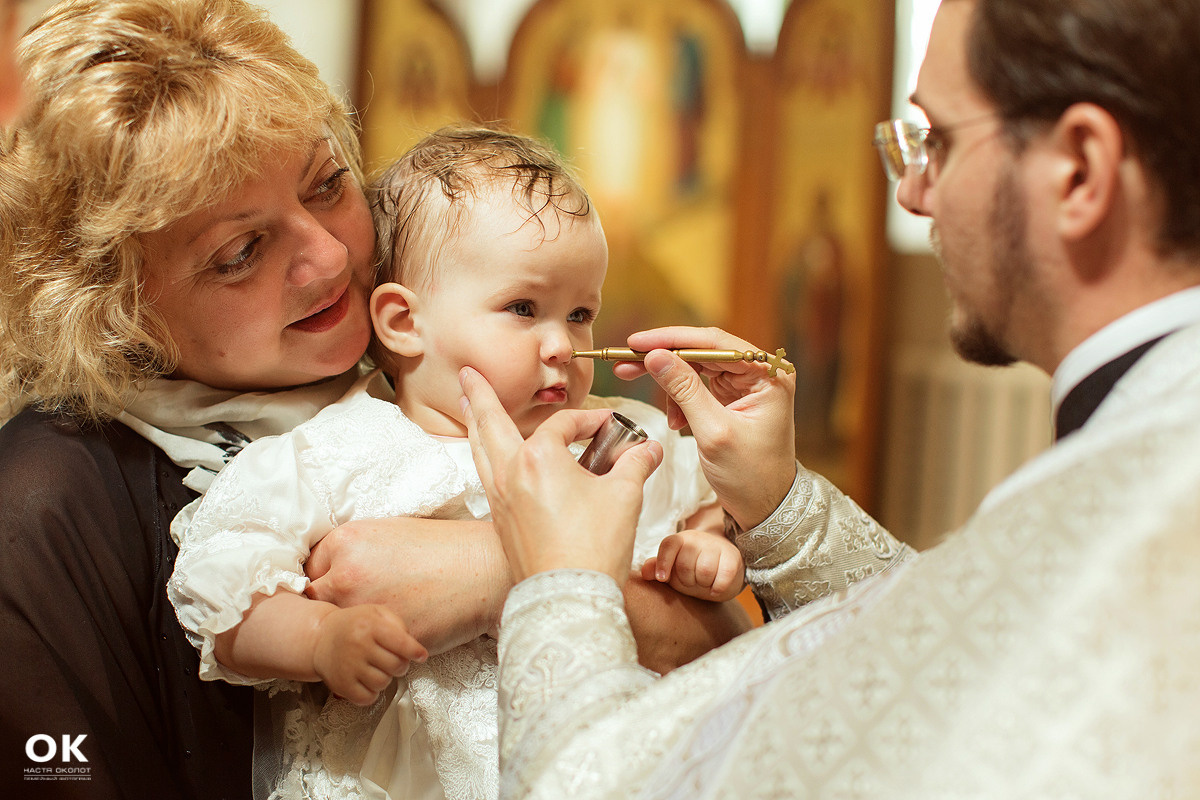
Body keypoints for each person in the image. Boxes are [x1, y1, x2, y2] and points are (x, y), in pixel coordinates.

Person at [0, 3, 743, 798]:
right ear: (112, 302)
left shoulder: (435, 371)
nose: (328, 258)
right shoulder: (45, 501)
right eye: (242, 252)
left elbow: (738, 645)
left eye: (327, 185)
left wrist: (488, 568)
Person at [460, 0, 1200, 796]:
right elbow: (942, 650)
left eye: (939, 141)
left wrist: (561, 582)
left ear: (1080, 169)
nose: (915, 192)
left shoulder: (1140, 505)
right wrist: (780, 507)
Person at [167, 126, 738, 800]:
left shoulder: (618, 437)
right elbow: (223, 583)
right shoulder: (337, 452)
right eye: (523, 308)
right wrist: (320, 637)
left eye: (581, 313)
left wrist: (702, 546)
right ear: (405, 322)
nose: (562, 344)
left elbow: (710, 506)